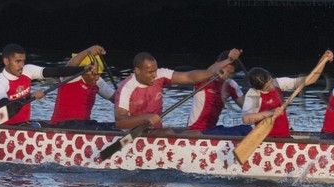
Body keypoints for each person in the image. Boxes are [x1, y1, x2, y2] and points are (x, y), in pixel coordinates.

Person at [114, 49, 242, 132]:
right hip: (133, 133)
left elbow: (189, 76)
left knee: (170, 132)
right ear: (137, 70)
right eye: (150, 72)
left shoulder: (160, 74)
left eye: (155, 70)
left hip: (153, 130)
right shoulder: (126, 88)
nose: (154, 75)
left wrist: (218, 69)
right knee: (169, 133)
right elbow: (120, 122)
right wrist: (146, 118)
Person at [0, 42, 106, 126]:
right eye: (18, 61)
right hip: (8, 128)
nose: (21, 65)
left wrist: (82, 69)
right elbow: (5, 107)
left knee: (45, 125)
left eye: (23, 61)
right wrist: (30, 97)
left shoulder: (27, 70)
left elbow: (56, 71)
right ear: (6, 61)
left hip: (24, 124)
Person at [234, 51, 334, 139]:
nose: (272, 87)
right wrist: (271, 112)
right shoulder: (253, 94)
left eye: (270, 82)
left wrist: (322, 60)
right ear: (257, 88)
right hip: (266, 140)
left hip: (285, 136)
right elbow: (246, 119)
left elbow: (310, 79)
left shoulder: (278, 83)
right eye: (267, 87)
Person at [48, 54, 116, 128]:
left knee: (116, 126)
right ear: (83, 72)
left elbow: (116, 98)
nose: (97, 78)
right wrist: (89, 51)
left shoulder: (98, 81)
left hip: (84, 125)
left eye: (99, 74)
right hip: (61, 125)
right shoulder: (71, 77)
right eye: (94, 74)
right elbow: (70, 66)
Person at [186, 52, 243, 132]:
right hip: (195, 131)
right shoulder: (203, 79)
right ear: (217, 65)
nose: (226, 75)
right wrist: (228, 60)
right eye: (225, 71)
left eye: (231, 73)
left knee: (245, 129)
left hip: (211, 131)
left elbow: (246, 107)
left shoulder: (230, 84)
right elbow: (210, 70)